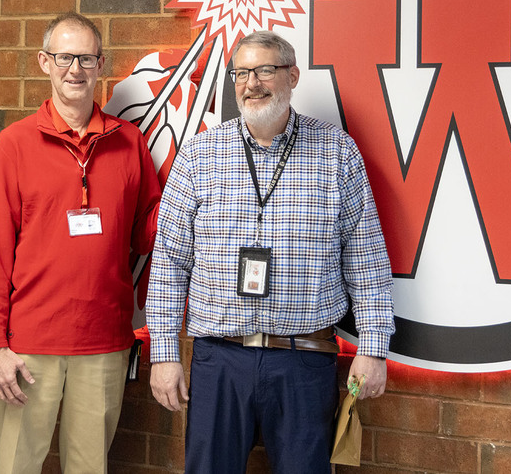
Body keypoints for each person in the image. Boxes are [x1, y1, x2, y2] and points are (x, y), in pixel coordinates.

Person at [146, 30, 395, 473]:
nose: (251, 83)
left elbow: (366, 256)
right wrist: (164, 353)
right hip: (219, 359)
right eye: (241, 73)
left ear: (292, 76)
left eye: (264, 70)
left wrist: (373, 347)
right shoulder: (200, 155)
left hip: (304, 360)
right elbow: (168, 261)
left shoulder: (336, 151)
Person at [0, 11, 161, 474]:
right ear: (45, 62)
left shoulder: (129, 142)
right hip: (28, 344)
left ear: (101, 65)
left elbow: (149, 234)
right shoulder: (13, 144)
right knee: (16, 466)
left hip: (104, 340)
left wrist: (199, 198)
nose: (75, 69)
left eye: (86, 58)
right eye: (64, 58)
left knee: (89, 467)